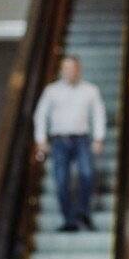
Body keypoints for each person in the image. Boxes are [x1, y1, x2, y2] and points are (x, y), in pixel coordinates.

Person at [32, 55, 106, 232]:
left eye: (72, 68)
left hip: (81, 139)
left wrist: (98, 138)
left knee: (87, 174)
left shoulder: (90, 90)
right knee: (61, 181)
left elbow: (98, 114)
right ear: (61, 70)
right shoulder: (51, 91)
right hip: (59, 141)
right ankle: (69, 220)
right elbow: (40, 115)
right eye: (66, 69)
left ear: (78, 70)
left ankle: (83, 213)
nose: (69, 72)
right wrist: (41, 139)